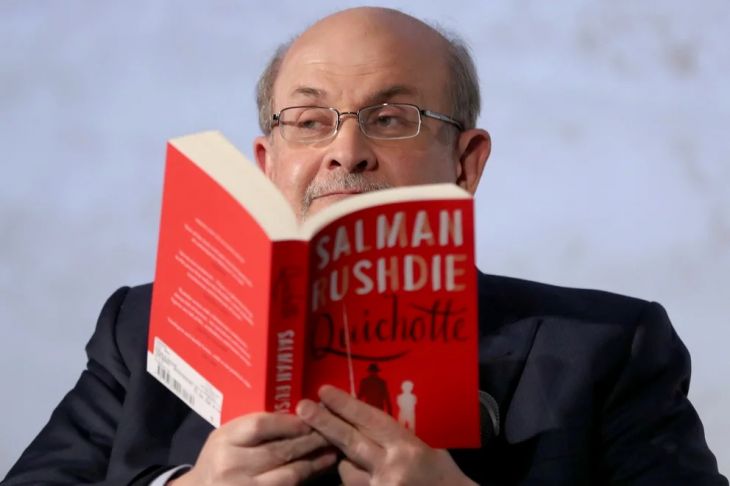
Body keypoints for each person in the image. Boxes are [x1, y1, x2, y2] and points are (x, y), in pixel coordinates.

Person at [3, 6, 727, 486]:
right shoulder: (144, 330)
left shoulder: (608, 347)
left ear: (466, 163)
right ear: (268, 165)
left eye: (391, 118)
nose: (346, 152)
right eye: (309, 122)